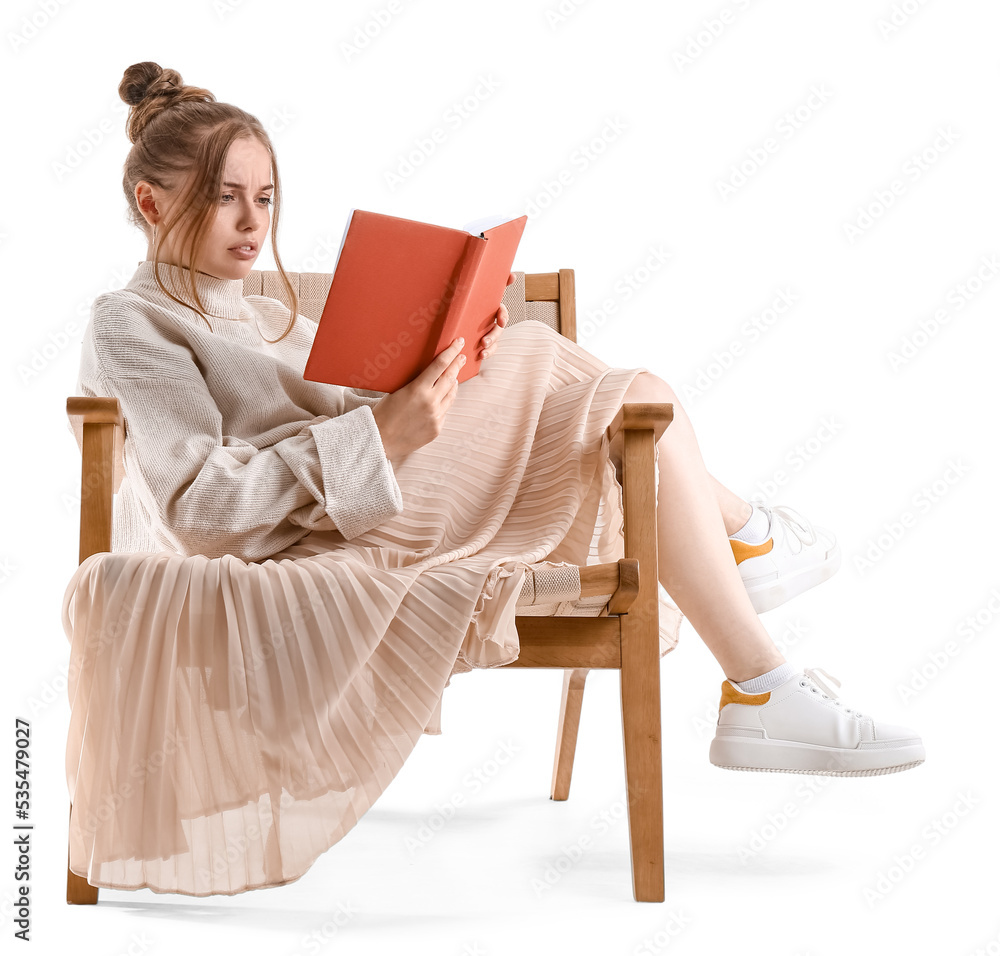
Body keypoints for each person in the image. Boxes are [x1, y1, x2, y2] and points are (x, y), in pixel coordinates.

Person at [61, 62, 924, 898]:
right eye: (225, 197)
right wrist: (382, 435)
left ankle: (758, 653)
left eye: (266, 196)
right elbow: (204, 511)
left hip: (382, 492)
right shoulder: (130, 324)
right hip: (336, 534)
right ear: (152, 202)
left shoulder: (253, 300)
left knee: (591, 381)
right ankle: (750, 565)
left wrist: (449, 351)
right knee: (575, 370)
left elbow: (351, 402)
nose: (253, 223)